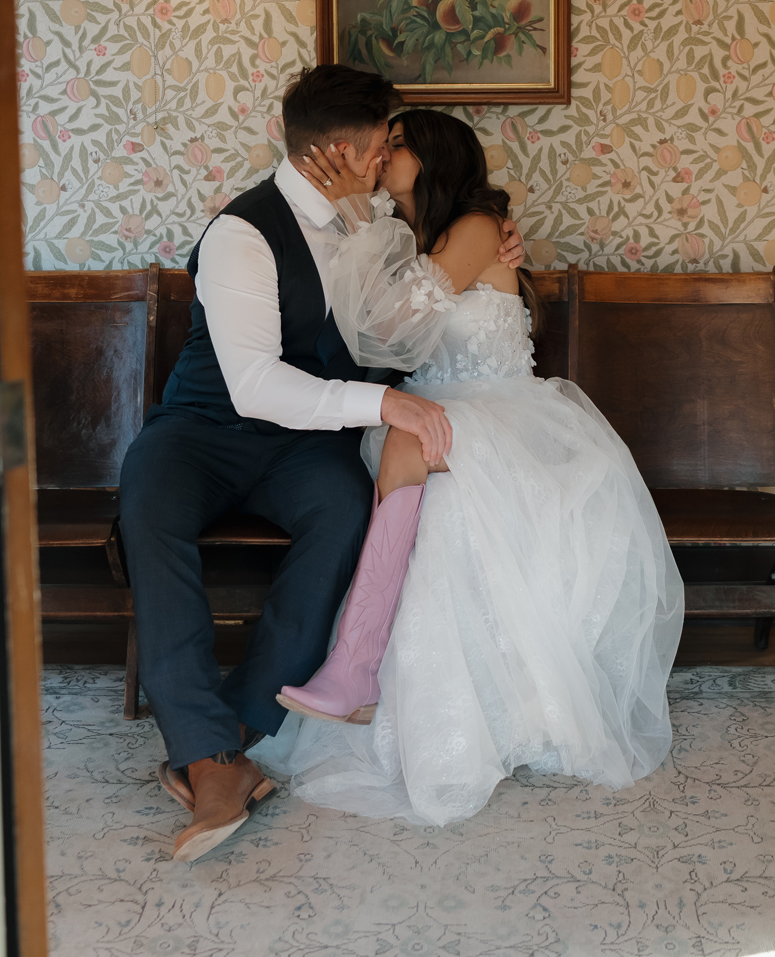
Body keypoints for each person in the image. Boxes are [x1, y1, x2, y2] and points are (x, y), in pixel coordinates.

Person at [118, 68, 525, 861]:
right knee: (148, 513)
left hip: (307, 446)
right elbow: (256, 383)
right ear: (342, 149)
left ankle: (227, 738)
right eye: (382, 146)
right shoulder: (243, 233)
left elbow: (439, 277)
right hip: (203, 429)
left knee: (342, 515)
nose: (385, 161)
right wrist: (384, 407)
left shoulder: (379, 215)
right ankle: (211, 761)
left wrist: (498, 247)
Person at [260, 109, 685, 828]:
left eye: (393, 147)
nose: (378, 157)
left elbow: (391, 330)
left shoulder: (479, 228)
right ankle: (360, 669)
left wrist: (361, 224)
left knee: (423, 460)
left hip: (504, 415)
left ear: (432, 158)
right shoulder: (416, 238)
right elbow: (382, 345)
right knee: (408, 442)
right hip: (433, 415)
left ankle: (362, 666)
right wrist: (365, 229)